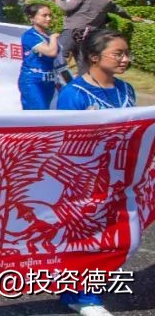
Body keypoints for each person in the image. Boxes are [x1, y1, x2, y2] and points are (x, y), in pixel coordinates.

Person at [55, 29, 134, 316]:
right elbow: (66, 143)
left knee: (113, 237)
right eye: (119, 54)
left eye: (127, 54)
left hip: (118, 177)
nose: (125, 59)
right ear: (93, 57)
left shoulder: (127, 90)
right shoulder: (74, 94)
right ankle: (83, 296)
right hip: (84, 180)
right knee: (84, 237)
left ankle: (83, 291)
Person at [53, 0, 132, 76]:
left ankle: (57, 80)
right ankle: (83, 85)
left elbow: (67, 7)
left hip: (72, 30)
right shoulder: (107, 0)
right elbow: (120, 11)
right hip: (89, 35)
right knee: (83, 63)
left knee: (57, 53)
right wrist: (131, 17)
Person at [18, 3, 60, 110]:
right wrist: (54, 38)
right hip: (33, 80)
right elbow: (51, 52)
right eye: (44, 15)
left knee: (47, 113)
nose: (48, 18)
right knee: (37, 114)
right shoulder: (29, 35)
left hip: (49, 80)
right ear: (32, 18)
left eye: (50, 15)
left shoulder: (47, 34)